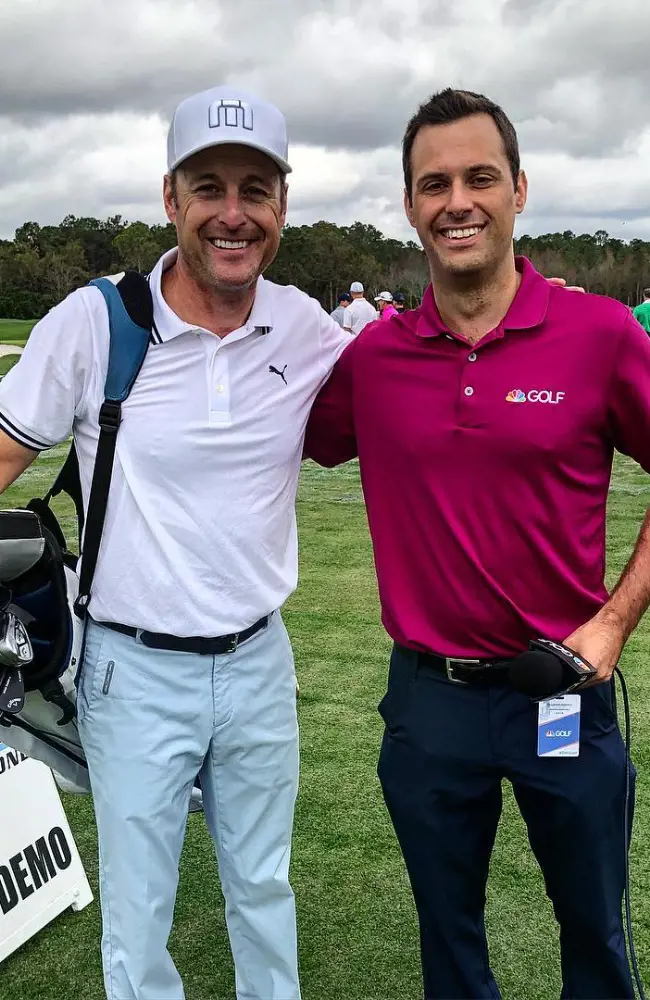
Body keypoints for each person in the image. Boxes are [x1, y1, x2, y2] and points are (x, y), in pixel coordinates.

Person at [0, 85, 350, 1000]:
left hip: (257, 661)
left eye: (254, 190)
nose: (232, 215)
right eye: (208, 188)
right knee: (141, 913)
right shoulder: (95, 321)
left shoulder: (307, 327)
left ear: (281, 204)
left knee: (264, 888)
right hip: (130, 666)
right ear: (171, 199)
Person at [305, 87, 650, 1000]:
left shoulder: (600, 333)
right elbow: (265, 438)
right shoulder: (375, 358)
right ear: (412, 206)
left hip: (561, 688)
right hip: (430, 702)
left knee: (595, 936)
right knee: (449, 944)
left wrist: (614, 624)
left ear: (519, 191)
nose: (457, 200)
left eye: (479, 178)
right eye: (433, 183)